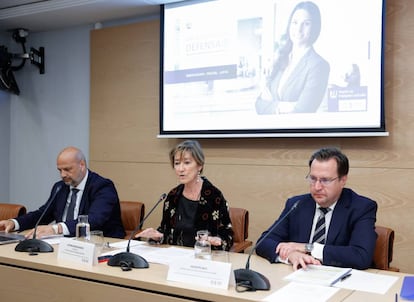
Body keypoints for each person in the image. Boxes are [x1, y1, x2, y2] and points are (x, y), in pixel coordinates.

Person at [256, 147, 377, 270]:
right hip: (300, 276)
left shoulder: (361, 208)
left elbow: (361, 256)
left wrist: (309, 248)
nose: (317, 187)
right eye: (313, 179)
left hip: (340, 280)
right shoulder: (297, 204)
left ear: (342, 180)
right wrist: (291, 255)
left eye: (325, 180)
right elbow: (264, 242)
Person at [0, 146, 125, 239]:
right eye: (59, 170)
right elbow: (42, 214)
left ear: (82, 165)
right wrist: (14, 223)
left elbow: (94, 219)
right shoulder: (60, 187)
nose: (63, 175)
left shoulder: (102, 186)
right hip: (63, 244)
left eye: (67, 169)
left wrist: (57, 229)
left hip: (100, 245)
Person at [136, 140, 233, 251]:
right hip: (176, 257)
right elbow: (166, 232)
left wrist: (216, 241)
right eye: (177, 163)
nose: (181, 169)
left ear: (199, 165)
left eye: (187, 163)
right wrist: (157, 236)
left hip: (204, 259)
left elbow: (228, 237)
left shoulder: (214, 197)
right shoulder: (172, 196)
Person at [256, 1, 330, 114]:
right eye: (295, 22)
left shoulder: (319, 65)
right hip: (270, 130)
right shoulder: (281, 58)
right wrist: (283, 107)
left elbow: (303, 111)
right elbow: (259, 104)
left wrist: (271, 105)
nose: (299, 29)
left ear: (315, 27)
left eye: (306, 24)